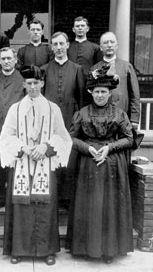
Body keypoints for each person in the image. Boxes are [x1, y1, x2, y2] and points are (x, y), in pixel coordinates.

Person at [0, 65, 72, 266]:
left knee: (45, 207)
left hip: (44, 164)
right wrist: (24, 148)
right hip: (22, 162)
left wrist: (45, 146)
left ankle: (46, 250)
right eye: (28, 83)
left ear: (42, 83)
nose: (32, 87)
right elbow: (6, 136)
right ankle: (19, 249)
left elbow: (62, 136)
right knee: (21, 207)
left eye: (36, 83)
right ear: (23, 84)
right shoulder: (15, 109)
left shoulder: (52, 108)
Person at [67, 64, 134, 263]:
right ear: (91, 92)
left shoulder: (119, 114)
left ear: (109, 93)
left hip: (113, 165)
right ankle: (85, 248)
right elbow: (70, 137)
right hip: (88, 164)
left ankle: (108, 250)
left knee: (109, 207)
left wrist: (109, 148)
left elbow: (129, 138)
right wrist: (88, 148)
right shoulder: (83, 113)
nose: (100, 95)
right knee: (90, 206)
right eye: (96, 91)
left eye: (103, 91)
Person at [42, 31, 85, 208]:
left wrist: (77, 123)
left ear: (67, 45)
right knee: (50, 157)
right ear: (51, 47)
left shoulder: (77, 69)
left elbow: (81, 99)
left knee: (68, 160)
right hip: (49, 124)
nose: (59, 48)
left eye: (62, 44)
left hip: (70, 122)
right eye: (55, 44)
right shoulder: (44, 69)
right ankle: (51, 197)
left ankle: (66, 200)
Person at [0, 47, 24, 211]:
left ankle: (15, 198)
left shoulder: (23, 79)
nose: (6, 61)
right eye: (3, 58)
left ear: (15, 60)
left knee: (17, 163)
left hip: (17, 129)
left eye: (9, 58)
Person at [91, 32, 140, 128]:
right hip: (100, 119)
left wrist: (134, 118)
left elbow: (135, 94)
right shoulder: (94, 69)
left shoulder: (127, 67)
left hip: (122, 116)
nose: (109, 45)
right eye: (105, 43)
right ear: (101, 47)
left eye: (112, 42)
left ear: (116, 46)